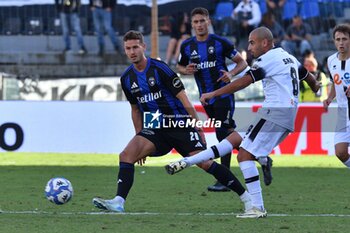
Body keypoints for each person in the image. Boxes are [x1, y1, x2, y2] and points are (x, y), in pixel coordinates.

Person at [92, 30, 253, 214]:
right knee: (126, 155)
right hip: (154, 126)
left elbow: (183, 98)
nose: (132, 52)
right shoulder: (127, 79)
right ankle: (118, 202)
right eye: (128, 48)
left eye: (135, 47)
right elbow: (135, 109)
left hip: (178, 123)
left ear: (143, 47)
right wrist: (140, 136)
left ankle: (247, 198)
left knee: (205, 163)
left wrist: (197, 125)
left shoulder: (160, 69)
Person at [166, 27, 320, 218]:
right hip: (282, 115)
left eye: (252, 42)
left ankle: (256, 207)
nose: (249, 47)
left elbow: (244, 82)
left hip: (274, 113)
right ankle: (187, 161)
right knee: (234, 138)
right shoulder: (288, 56)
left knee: (244, 156)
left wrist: (214, 93)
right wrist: (316, 88)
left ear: (265, 43)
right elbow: (309, 77)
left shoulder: (267, 59)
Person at [177, 7, 272, 192]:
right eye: (196, 22)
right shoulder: (187, 46)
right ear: (192, 24)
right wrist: (185, 70)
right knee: (227, 134)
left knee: (222, 132)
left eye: (202, 21)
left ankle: (225, 179)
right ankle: (262, 158)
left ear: (209, 22)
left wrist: (231, 74)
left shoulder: (220, 42)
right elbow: (180, 66)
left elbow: (243, 62)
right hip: (206, 97)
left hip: (224, 94)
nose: (199, 25)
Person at [323, 24, 350, 168]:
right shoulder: (331, 60)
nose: (341, 42)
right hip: (342, 113)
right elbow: (335, 81)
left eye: (344, 39)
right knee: (340, 152)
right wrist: (329, 98)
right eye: (338, 39)